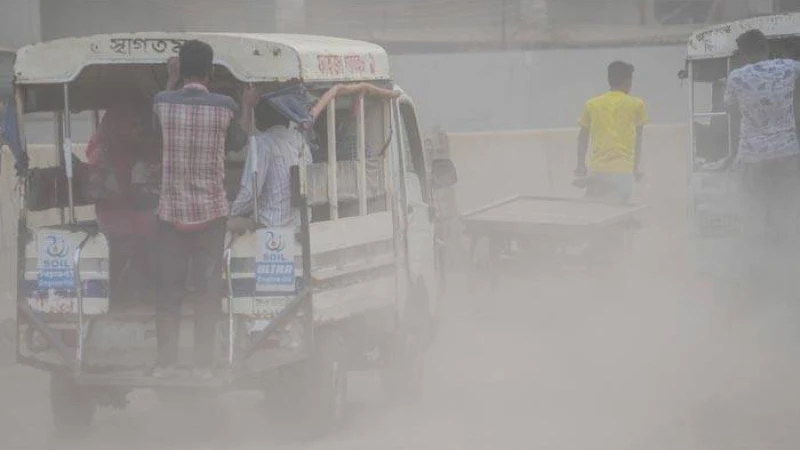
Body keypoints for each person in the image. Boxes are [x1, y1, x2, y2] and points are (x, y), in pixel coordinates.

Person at [152, 40, 258, 379]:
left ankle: (165, 364)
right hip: (211, 216)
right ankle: (201, 365)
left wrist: (169, 81)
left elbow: (156, 130)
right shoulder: (224, 107)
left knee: (169, 293)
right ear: (211, 72)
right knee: (206, 292)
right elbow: (240, 143)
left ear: (181, 69)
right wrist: (247, 104)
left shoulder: (162, 103)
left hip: (171, 216)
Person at [723, 30, 800, 243]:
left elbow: (729, 109)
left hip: (752, 157)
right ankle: (787, 252)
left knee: (754, 210)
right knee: (788, 207)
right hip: (788, 153)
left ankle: (758, 255)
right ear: (766, 48)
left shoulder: (737, 76)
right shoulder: (789, 67)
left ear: (744, 55)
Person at [86, 100, 160, 310]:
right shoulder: (102, 155)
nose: (140, 130)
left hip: (128, 211)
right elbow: (100, 192)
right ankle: (139, 288)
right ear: (118, 126)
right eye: (133, 125)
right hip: (113, 215)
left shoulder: (131, 152)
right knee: (150, 232)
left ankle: (142, 287)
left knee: (154, 227)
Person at [229, 99, 311, 231]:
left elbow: (250, 194)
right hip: (301, 222)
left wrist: (229, 212)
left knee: (224, 225)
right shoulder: (299, 140)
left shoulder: (262, 143)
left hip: (271, 224)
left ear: (261, 120)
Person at [575, 61, 647, 204]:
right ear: (627, 81)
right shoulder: (637, 105)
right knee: (618, 214)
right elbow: (638, 140)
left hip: (597, 171)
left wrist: (580, 164)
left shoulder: (591, 104)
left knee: (591, 210)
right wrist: (636, 168)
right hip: (622, 172)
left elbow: (582, 137)